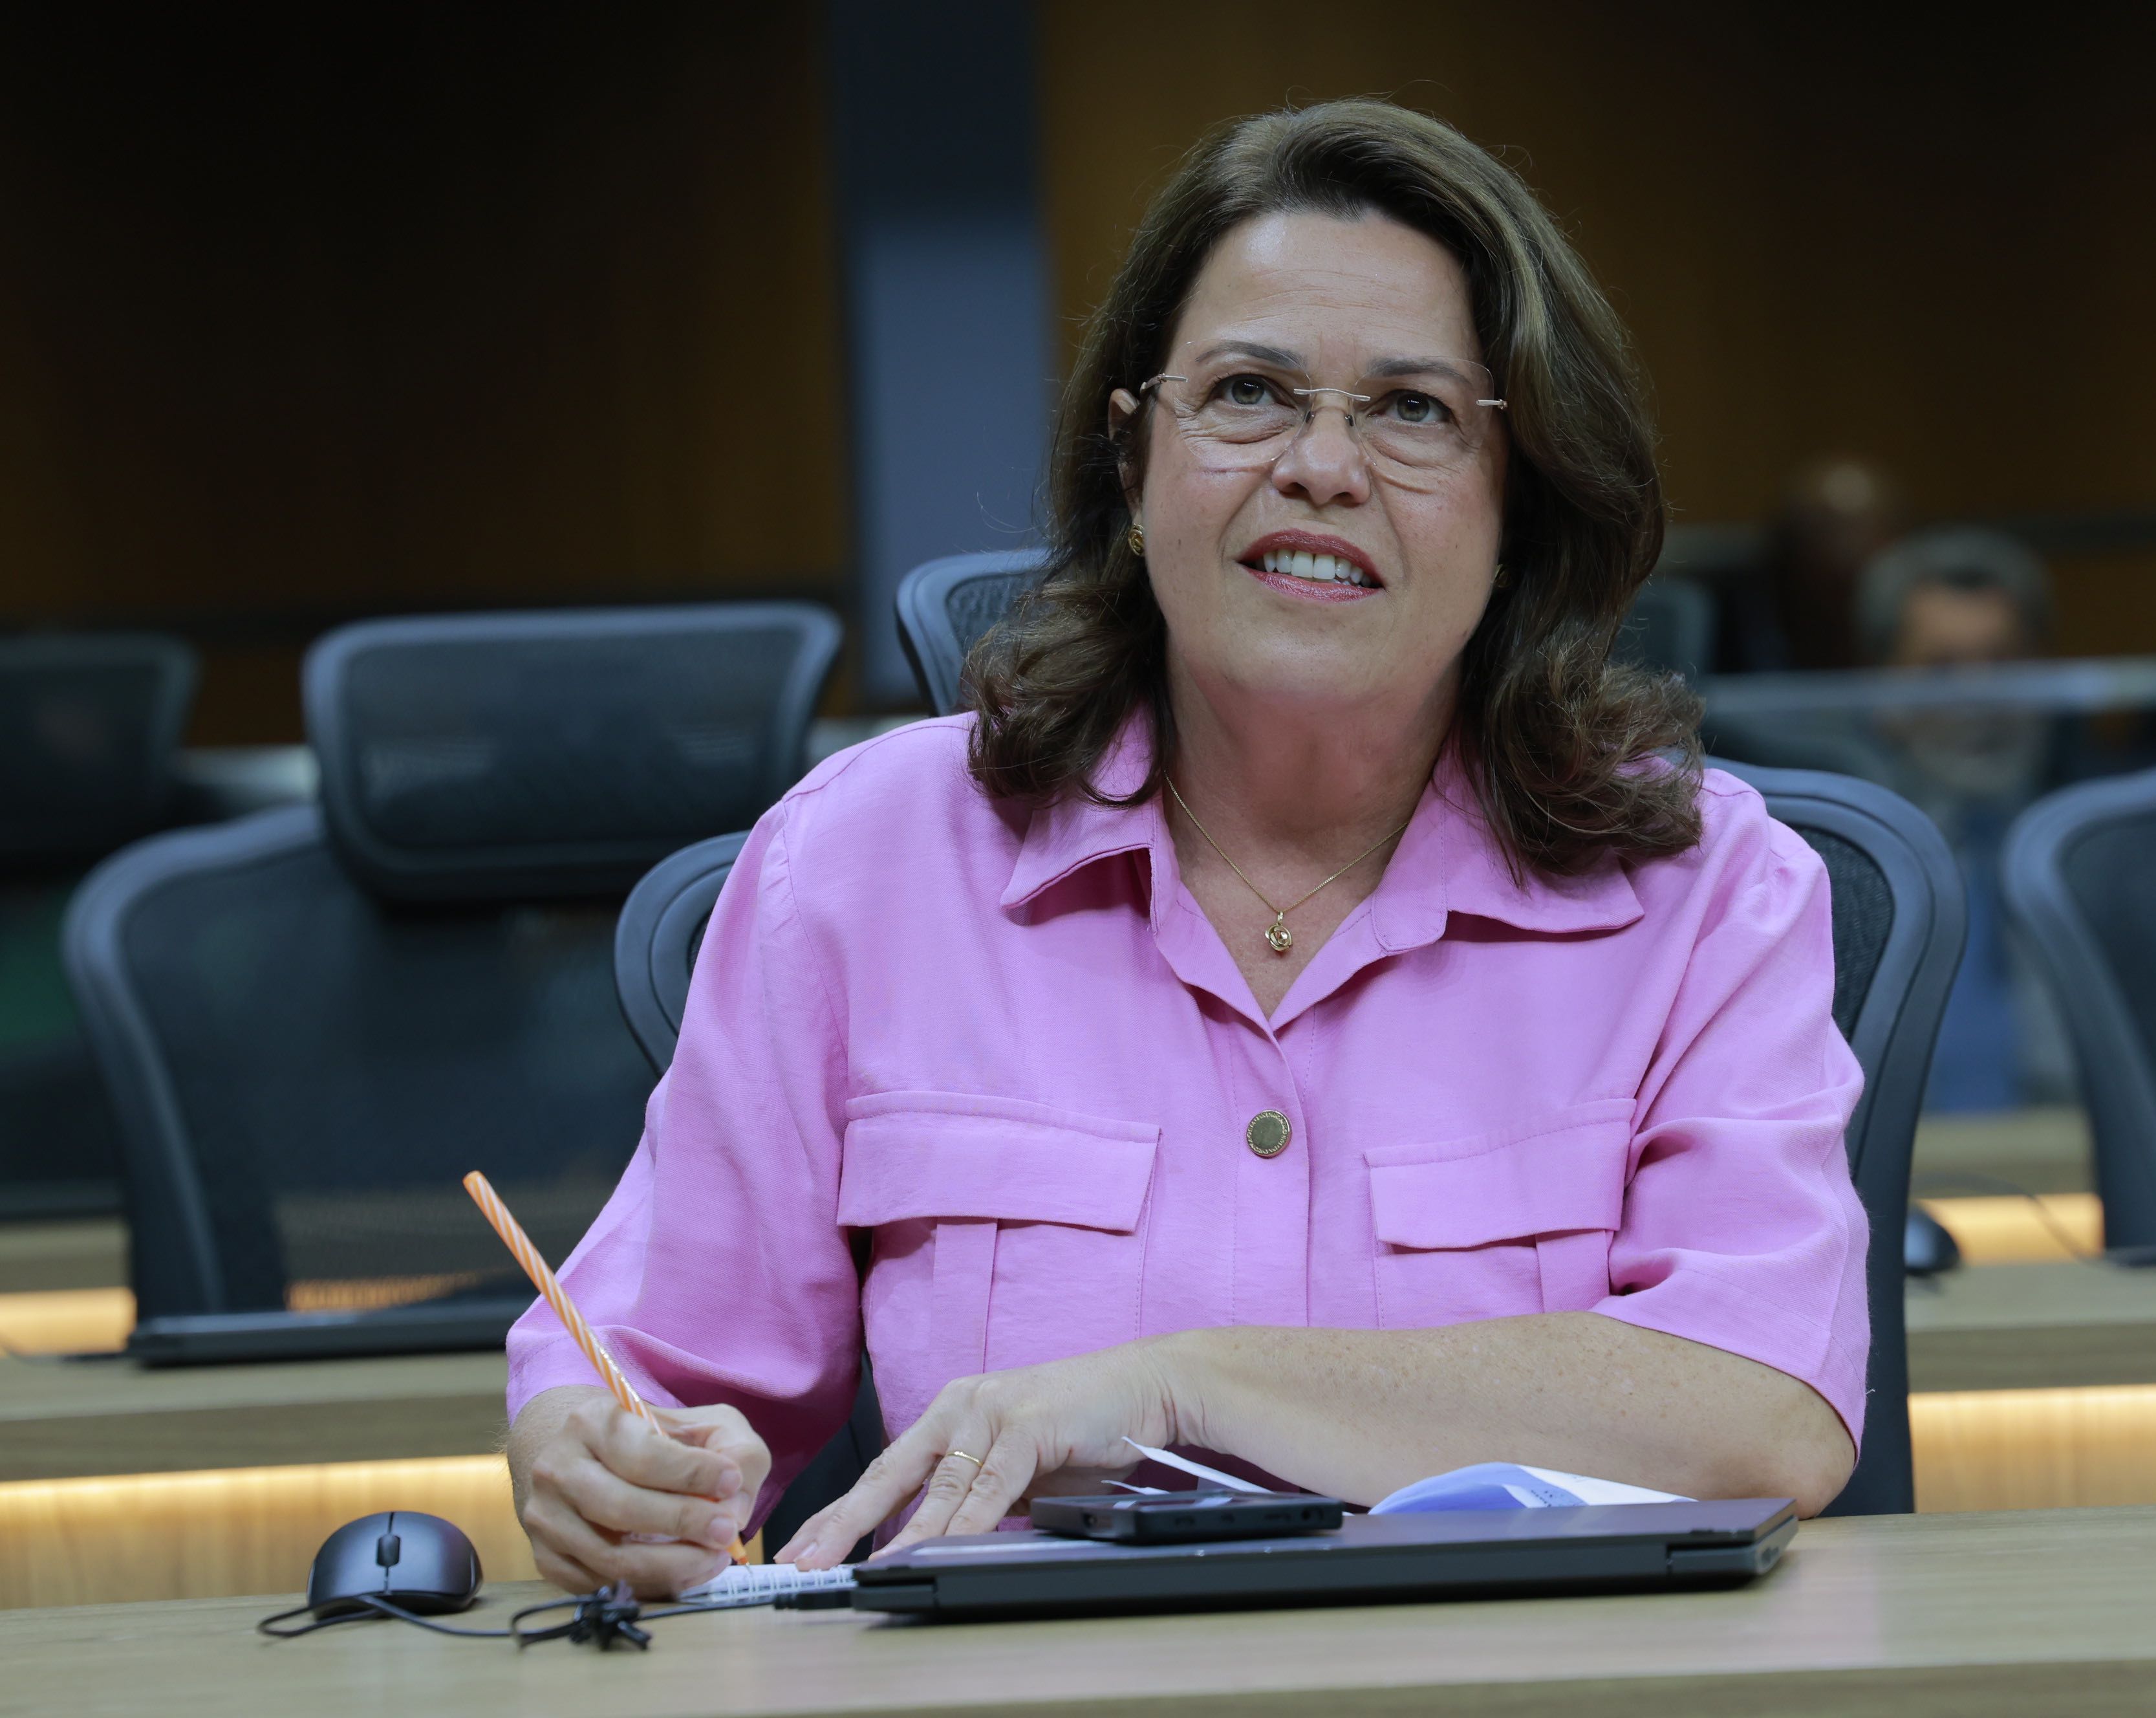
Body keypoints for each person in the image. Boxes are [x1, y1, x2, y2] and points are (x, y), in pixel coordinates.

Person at [503, 98, 1868, 1598]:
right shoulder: (860, 863)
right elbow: (655, 1374)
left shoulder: (1704, 891)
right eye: (1248, 393)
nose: (1322, 465)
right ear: (1134, 458)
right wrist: (602, 1462)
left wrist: (1187, 1385)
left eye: (1413, 410)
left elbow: (1763, 1410)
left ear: (1520, 499)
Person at [1856, 527, 2067, 1111]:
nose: (1981, 698)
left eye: (2005, 663)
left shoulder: (2101, 859)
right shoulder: (1838, 874)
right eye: (1941, 669)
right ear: (1881, 694)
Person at [1710, 457, 1908, 673]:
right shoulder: (1729, 630)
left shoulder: (1917, 616)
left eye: (1863, 530)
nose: (1845, 549)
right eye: (1824, 529)